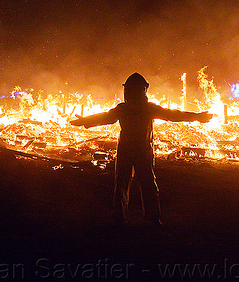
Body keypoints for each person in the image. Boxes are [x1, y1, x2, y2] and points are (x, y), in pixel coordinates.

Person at [71, 73, 212, 226]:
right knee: (148, 184)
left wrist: (86, 121)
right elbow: (173, 115)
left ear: (128, 91)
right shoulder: (148, 108)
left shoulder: (124, 108)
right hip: (143, 150)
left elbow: (106, 117)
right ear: (144, 90)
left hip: (126, 149)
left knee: (123, 183)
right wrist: (197, 116)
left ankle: (120, 216)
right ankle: (152, 218)